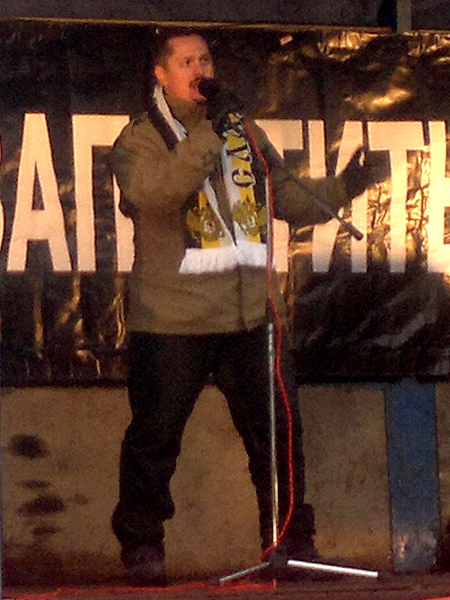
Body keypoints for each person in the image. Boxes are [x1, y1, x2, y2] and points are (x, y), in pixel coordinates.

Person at [109, 28, 380, 585]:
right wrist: (211, 132)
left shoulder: (241, 129)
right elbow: (155, 194)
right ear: (161, 74)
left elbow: (286, 196)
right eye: (187, 61)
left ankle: (290, 545)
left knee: (278, 437)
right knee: (154, 441)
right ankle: (142, 548)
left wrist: (346, 186)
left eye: (205, 59)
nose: (200, 69)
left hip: (250, 317)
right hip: (173, 321)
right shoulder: (140, 139)